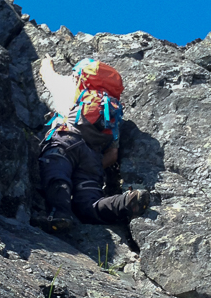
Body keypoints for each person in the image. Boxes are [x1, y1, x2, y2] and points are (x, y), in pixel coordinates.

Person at [35, 56, 151, 232]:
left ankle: (59, 214)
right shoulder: (111, 109)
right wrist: (89, 168)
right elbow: (112, 154)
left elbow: (47, 74)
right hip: (93, 158)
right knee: (88, 204)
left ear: (79, 75)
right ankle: (125, 202)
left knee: (57, 175)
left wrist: (46, 61)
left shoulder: (71, 87)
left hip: (65, 142)